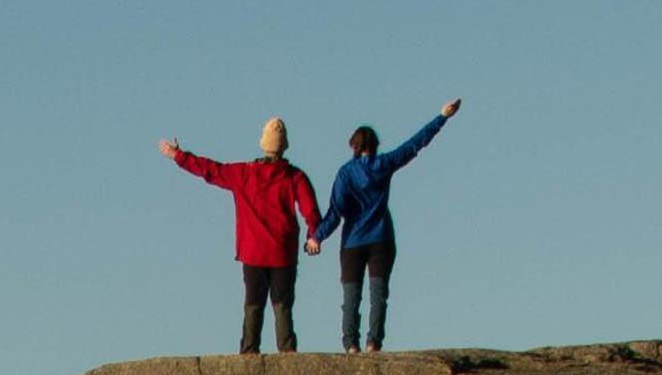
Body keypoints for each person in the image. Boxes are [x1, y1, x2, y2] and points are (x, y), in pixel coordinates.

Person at [161, 118, 327, 350]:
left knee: (253, 304)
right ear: (285, 145)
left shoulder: (244, 174)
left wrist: (179, 156)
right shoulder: (295, 177)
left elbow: (211, 170)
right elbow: (311, 211)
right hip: (283, 252)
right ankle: (287, 351)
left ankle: (249, 351)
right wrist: (314, 235)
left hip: (253, 251)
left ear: (263, 142)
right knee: (283, 306)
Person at [319, 102, 460, 347]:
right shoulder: (384, 164)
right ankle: (373, 343)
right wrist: (442, 117)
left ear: (354, 145)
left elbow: (336, 211)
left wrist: (316, 237)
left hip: (352, 242)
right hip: (381, 240)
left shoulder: (346, 173)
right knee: (378, 295)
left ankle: (350, 345)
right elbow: (415, 144)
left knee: (351, 297)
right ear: (374, 145)